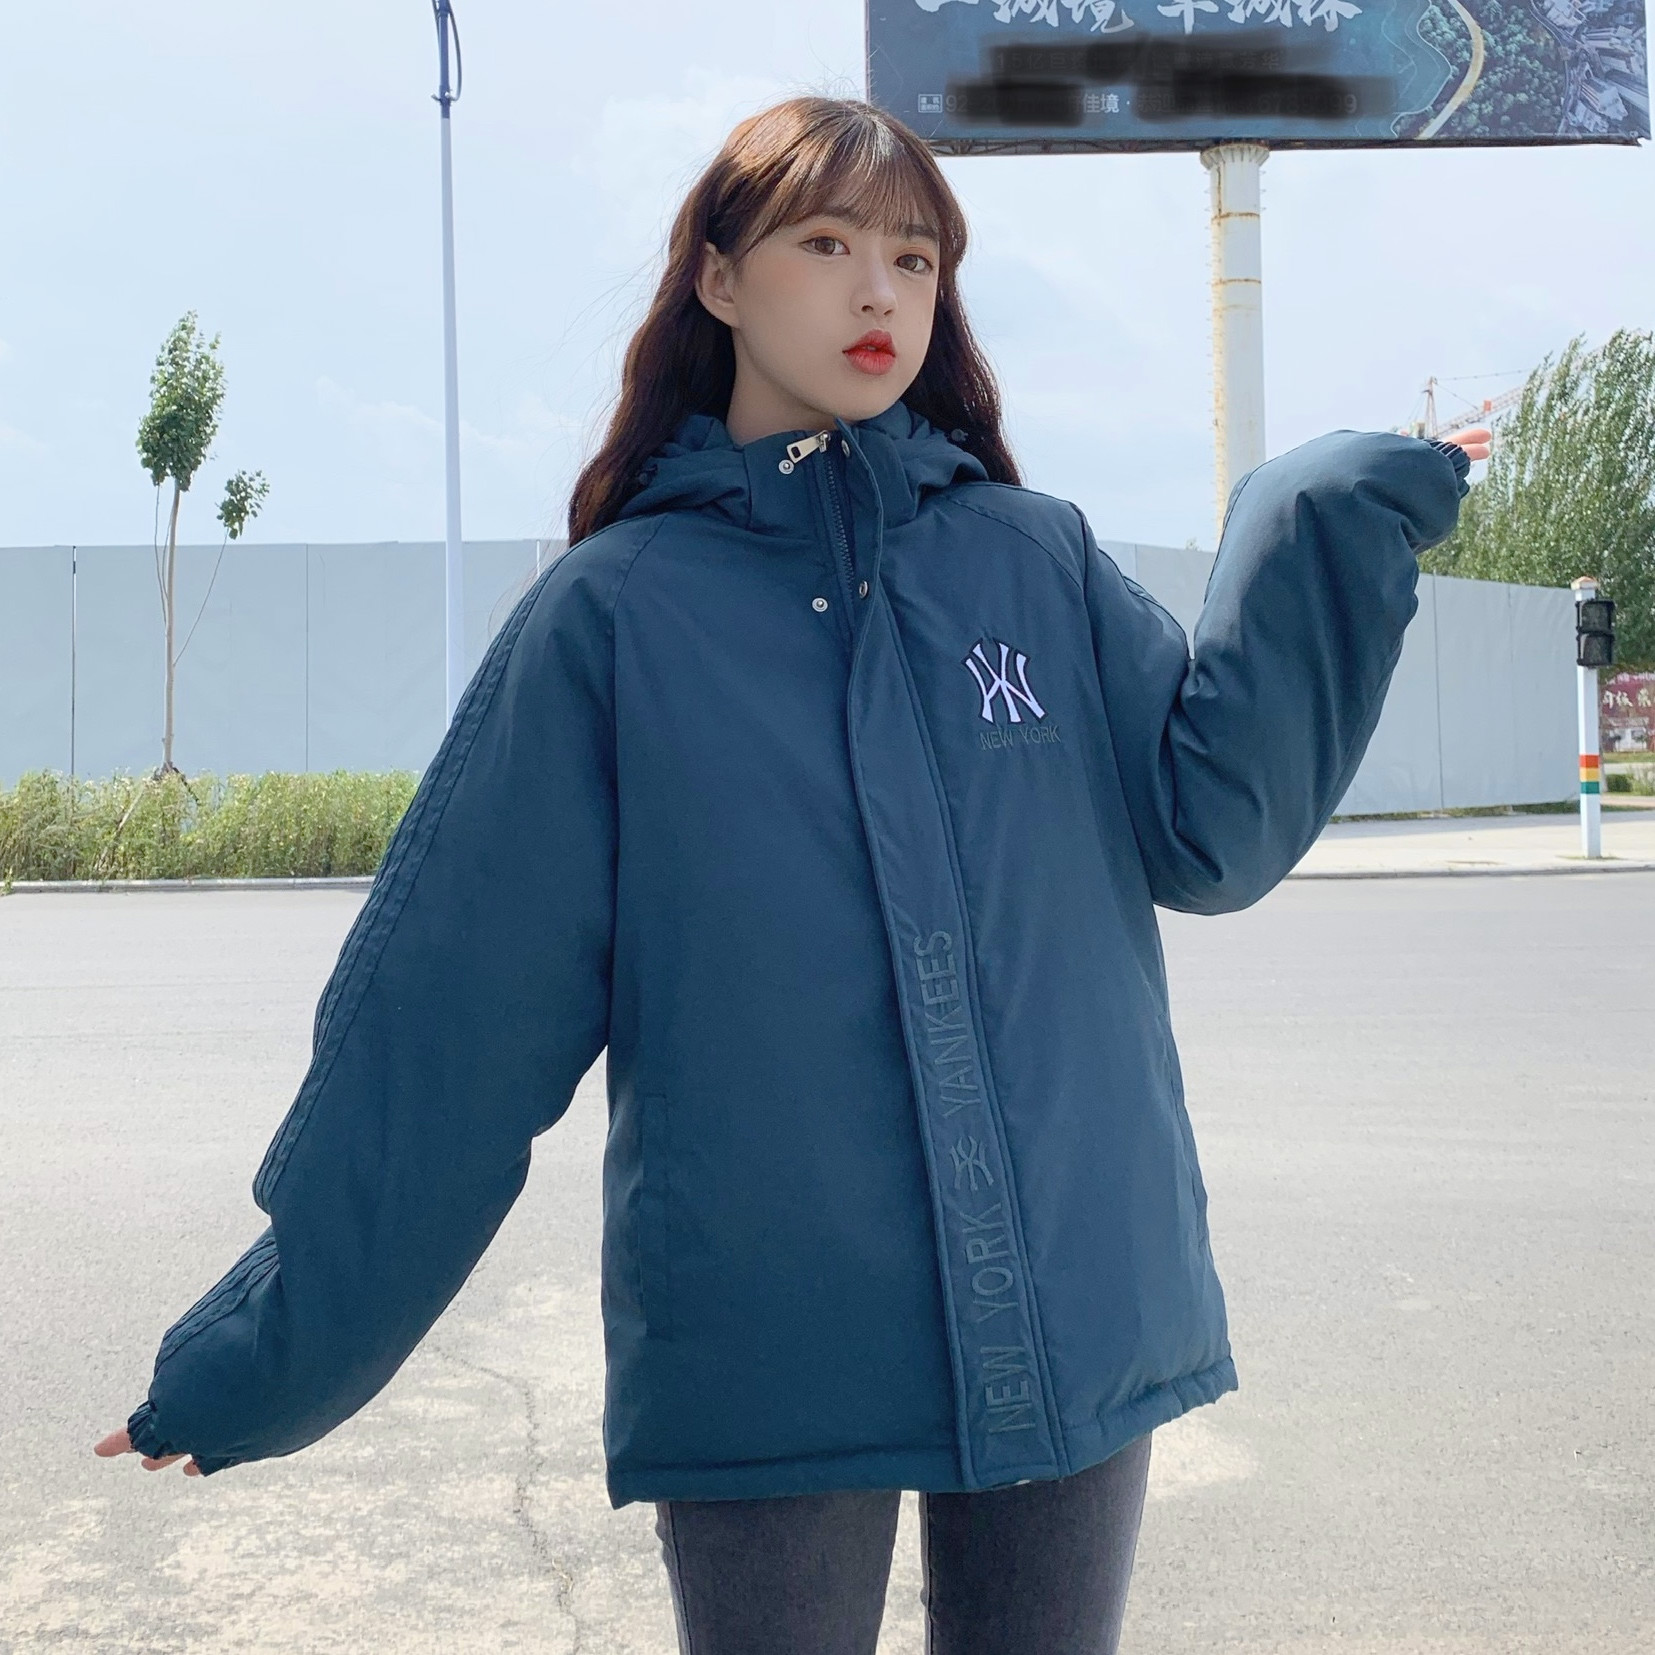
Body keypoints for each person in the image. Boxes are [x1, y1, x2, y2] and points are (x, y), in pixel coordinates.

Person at [96, 95, 1488, 1654]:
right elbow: (449, 1029)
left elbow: (1213, 827)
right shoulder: (615, 620)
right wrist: (263, 1356)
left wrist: (1324, 515)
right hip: (772, 1330)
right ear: (718, 278)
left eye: (914, 256)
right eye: (825, 245)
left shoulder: (1033, 560)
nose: (878, 290)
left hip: (1078, 1290)